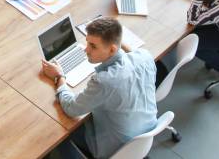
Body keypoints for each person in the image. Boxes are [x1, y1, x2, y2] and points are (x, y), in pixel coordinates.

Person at [41, 17, 157, 159]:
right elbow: (127, 57)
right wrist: (115, 41)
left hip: (117, 148)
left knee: (58, 134)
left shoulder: (104, 81)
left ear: (112, 49)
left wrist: (59, 76)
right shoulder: (145, 56)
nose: (86, 50)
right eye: (87, 42)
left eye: (93, 46)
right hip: (145, 134)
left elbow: (71, 108)